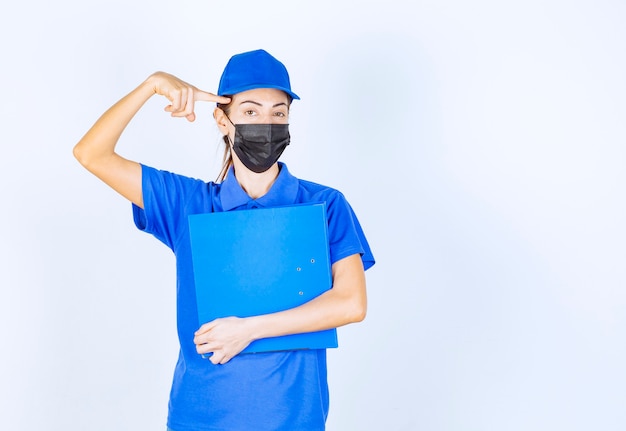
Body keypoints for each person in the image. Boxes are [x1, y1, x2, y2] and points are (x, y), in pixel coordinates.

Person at [73, 49, 375, 431]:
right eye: (250, 112)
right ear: (222, 119)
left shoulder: (324, 205)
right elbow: (90, 153)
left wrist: (248, 329)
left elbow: (351, 302)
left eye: (278, 113)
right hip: (198, 417)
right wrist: (152, 85)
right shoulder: (187, 204)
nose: (266, 123)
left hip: (292, 418)